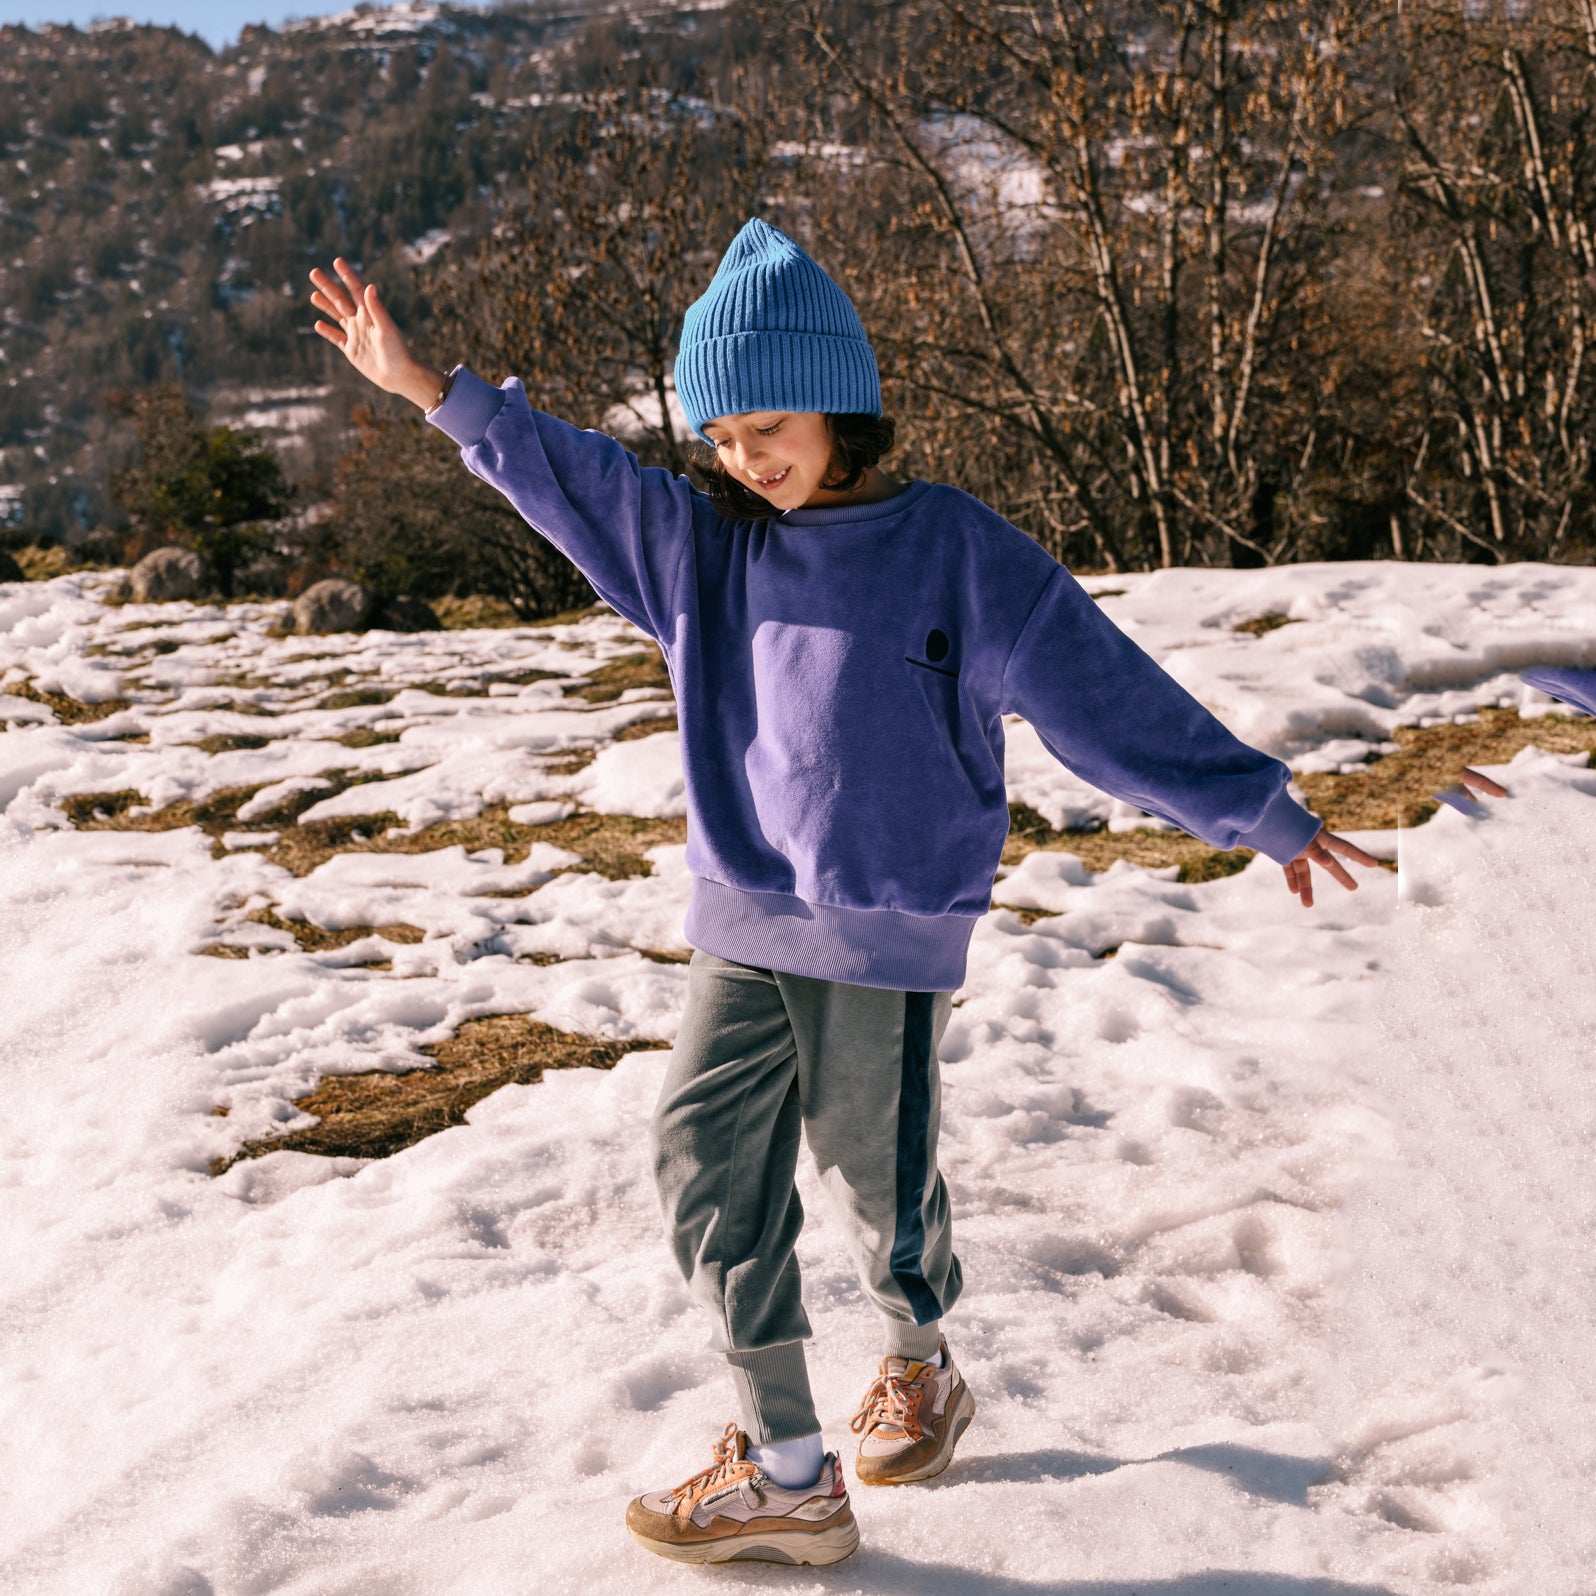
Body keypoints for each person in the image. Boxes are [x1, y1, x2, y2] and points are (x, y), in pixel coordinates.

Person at [308, 219, 1377, 1568]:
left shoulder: (958, 553)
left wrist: (1257, 810)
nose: (750, 459)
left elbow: (1098, 692)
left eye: (771, 424)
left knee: (879, 1181)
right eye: (724, 437)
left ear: (842, 402)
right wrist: (426, 389)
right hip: (744, 920)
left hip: (887, 931)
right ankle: (790, 1464)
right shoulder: (703, 546)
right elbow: (569, 477)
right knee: (700, 1162)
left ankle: (920, 1361)